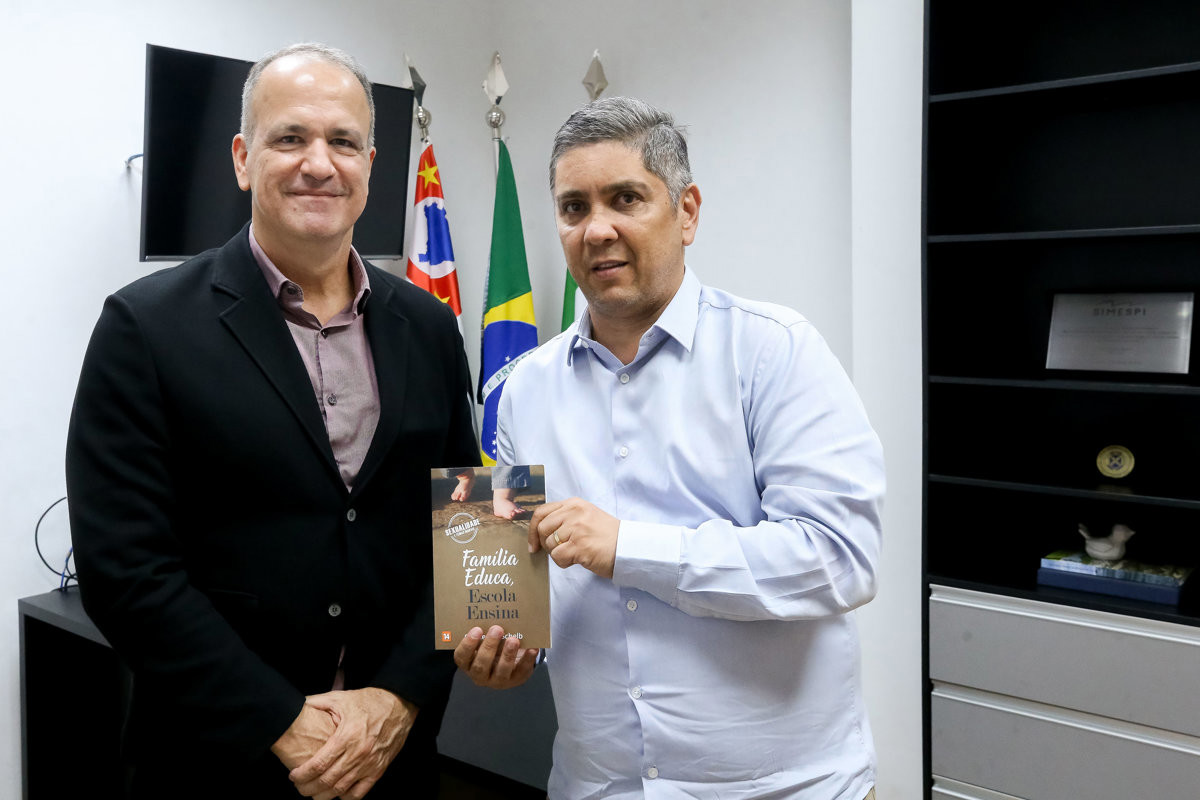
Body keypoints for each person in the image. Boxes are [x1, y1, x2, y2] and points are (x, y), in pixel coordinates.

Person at [66, 43, 478, 800]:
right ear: (242, 158)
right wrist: (281, 722)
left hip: (391, 760)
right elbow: (124, 571)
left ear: (371, 163)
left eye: (343, 141)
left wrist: (399, 697)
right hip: (216, 763)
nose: (318, 163)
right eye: (290, 138)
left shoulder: (429, 326)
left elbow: (469, 528)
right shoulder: (144, 326)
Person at [455, 97, 884, 800]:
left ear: (686, 212)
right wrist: (499, 648)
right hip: (598, 787)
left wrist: (629, 549)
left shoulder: (775, 352)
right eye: (573, 208)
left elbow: (840, 561)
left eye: (626, 198)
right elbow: (511, 592)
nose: (597, 230)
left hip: (788, 790)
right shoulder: (524, 390)